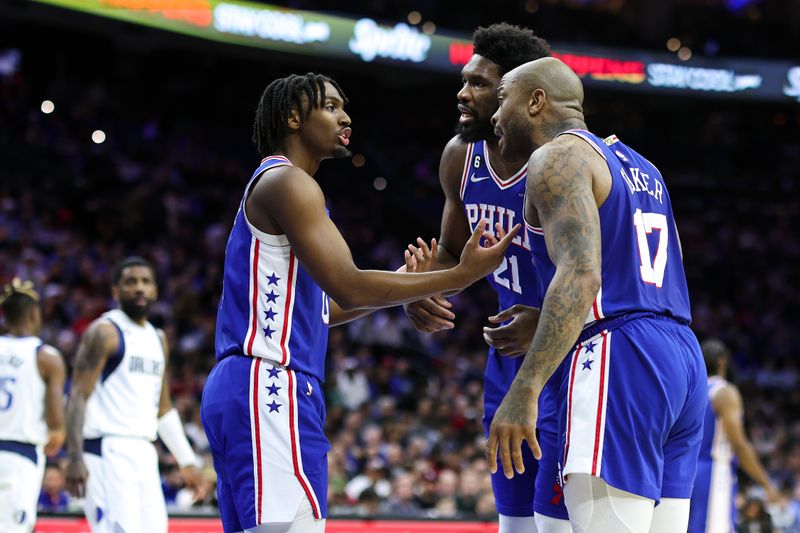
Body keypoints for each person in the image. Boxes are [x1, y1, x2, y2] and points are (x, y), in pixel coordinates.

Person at [200, 72, 517, 533]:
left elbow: (325, 308)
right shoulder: (289, 183)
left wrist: (409, 283)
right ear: (292, 116)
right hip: (270, 384)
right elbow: (349, 285)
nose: (345, 116)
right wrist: (461, 274)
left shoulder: (281, 186)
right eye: (329, 106)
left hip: (249, 386)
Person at [487, 57, 707, 533]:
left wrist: (523, 388)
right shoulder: (642, 167)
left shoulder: (556, 157)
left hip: (620, 356)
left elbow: (582, 275)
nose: (494, 115)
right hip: (682, 358)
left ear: (536, 101)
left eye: (502, 99)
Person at [402, 23, 570, 533]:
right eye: (464, 79)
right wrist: (419, 291)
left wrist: (544, 320)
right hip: (507, 361)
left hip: (574, 355)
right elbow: (454, 255)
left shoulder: (565, 163)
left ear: (521, 96)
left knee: (560, 522)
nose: (463, 92)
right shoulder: (461, 156)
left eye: (480, 84)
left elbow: (607, 275)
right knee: (514, 522)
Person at [64, 257, 202, 533]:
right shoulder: (104, 332)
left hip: (144, 451)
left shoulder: (158, 338)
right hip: (106, 448)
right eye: (130, 282)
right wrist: (75, 457)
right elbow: (77, 396)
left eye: (145, 282)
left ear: (155, 291)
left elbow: (163, 407)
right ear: (115, 291)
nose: (139, 288)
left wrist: (187, 461)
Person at [688, 339, 779, 533]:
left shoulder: (691, 392)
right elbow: (740, 444)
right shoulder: (725, 392)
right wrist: (766, 483)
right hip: (714, 471)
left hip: (687, 470)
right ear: (722, 362)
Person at [0, 278, 66, 532]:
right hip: (20, 455)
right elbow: (55, 423)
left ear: (5, 316)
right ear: (35, 314)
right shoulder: (46, 357)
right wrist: (57, 433)